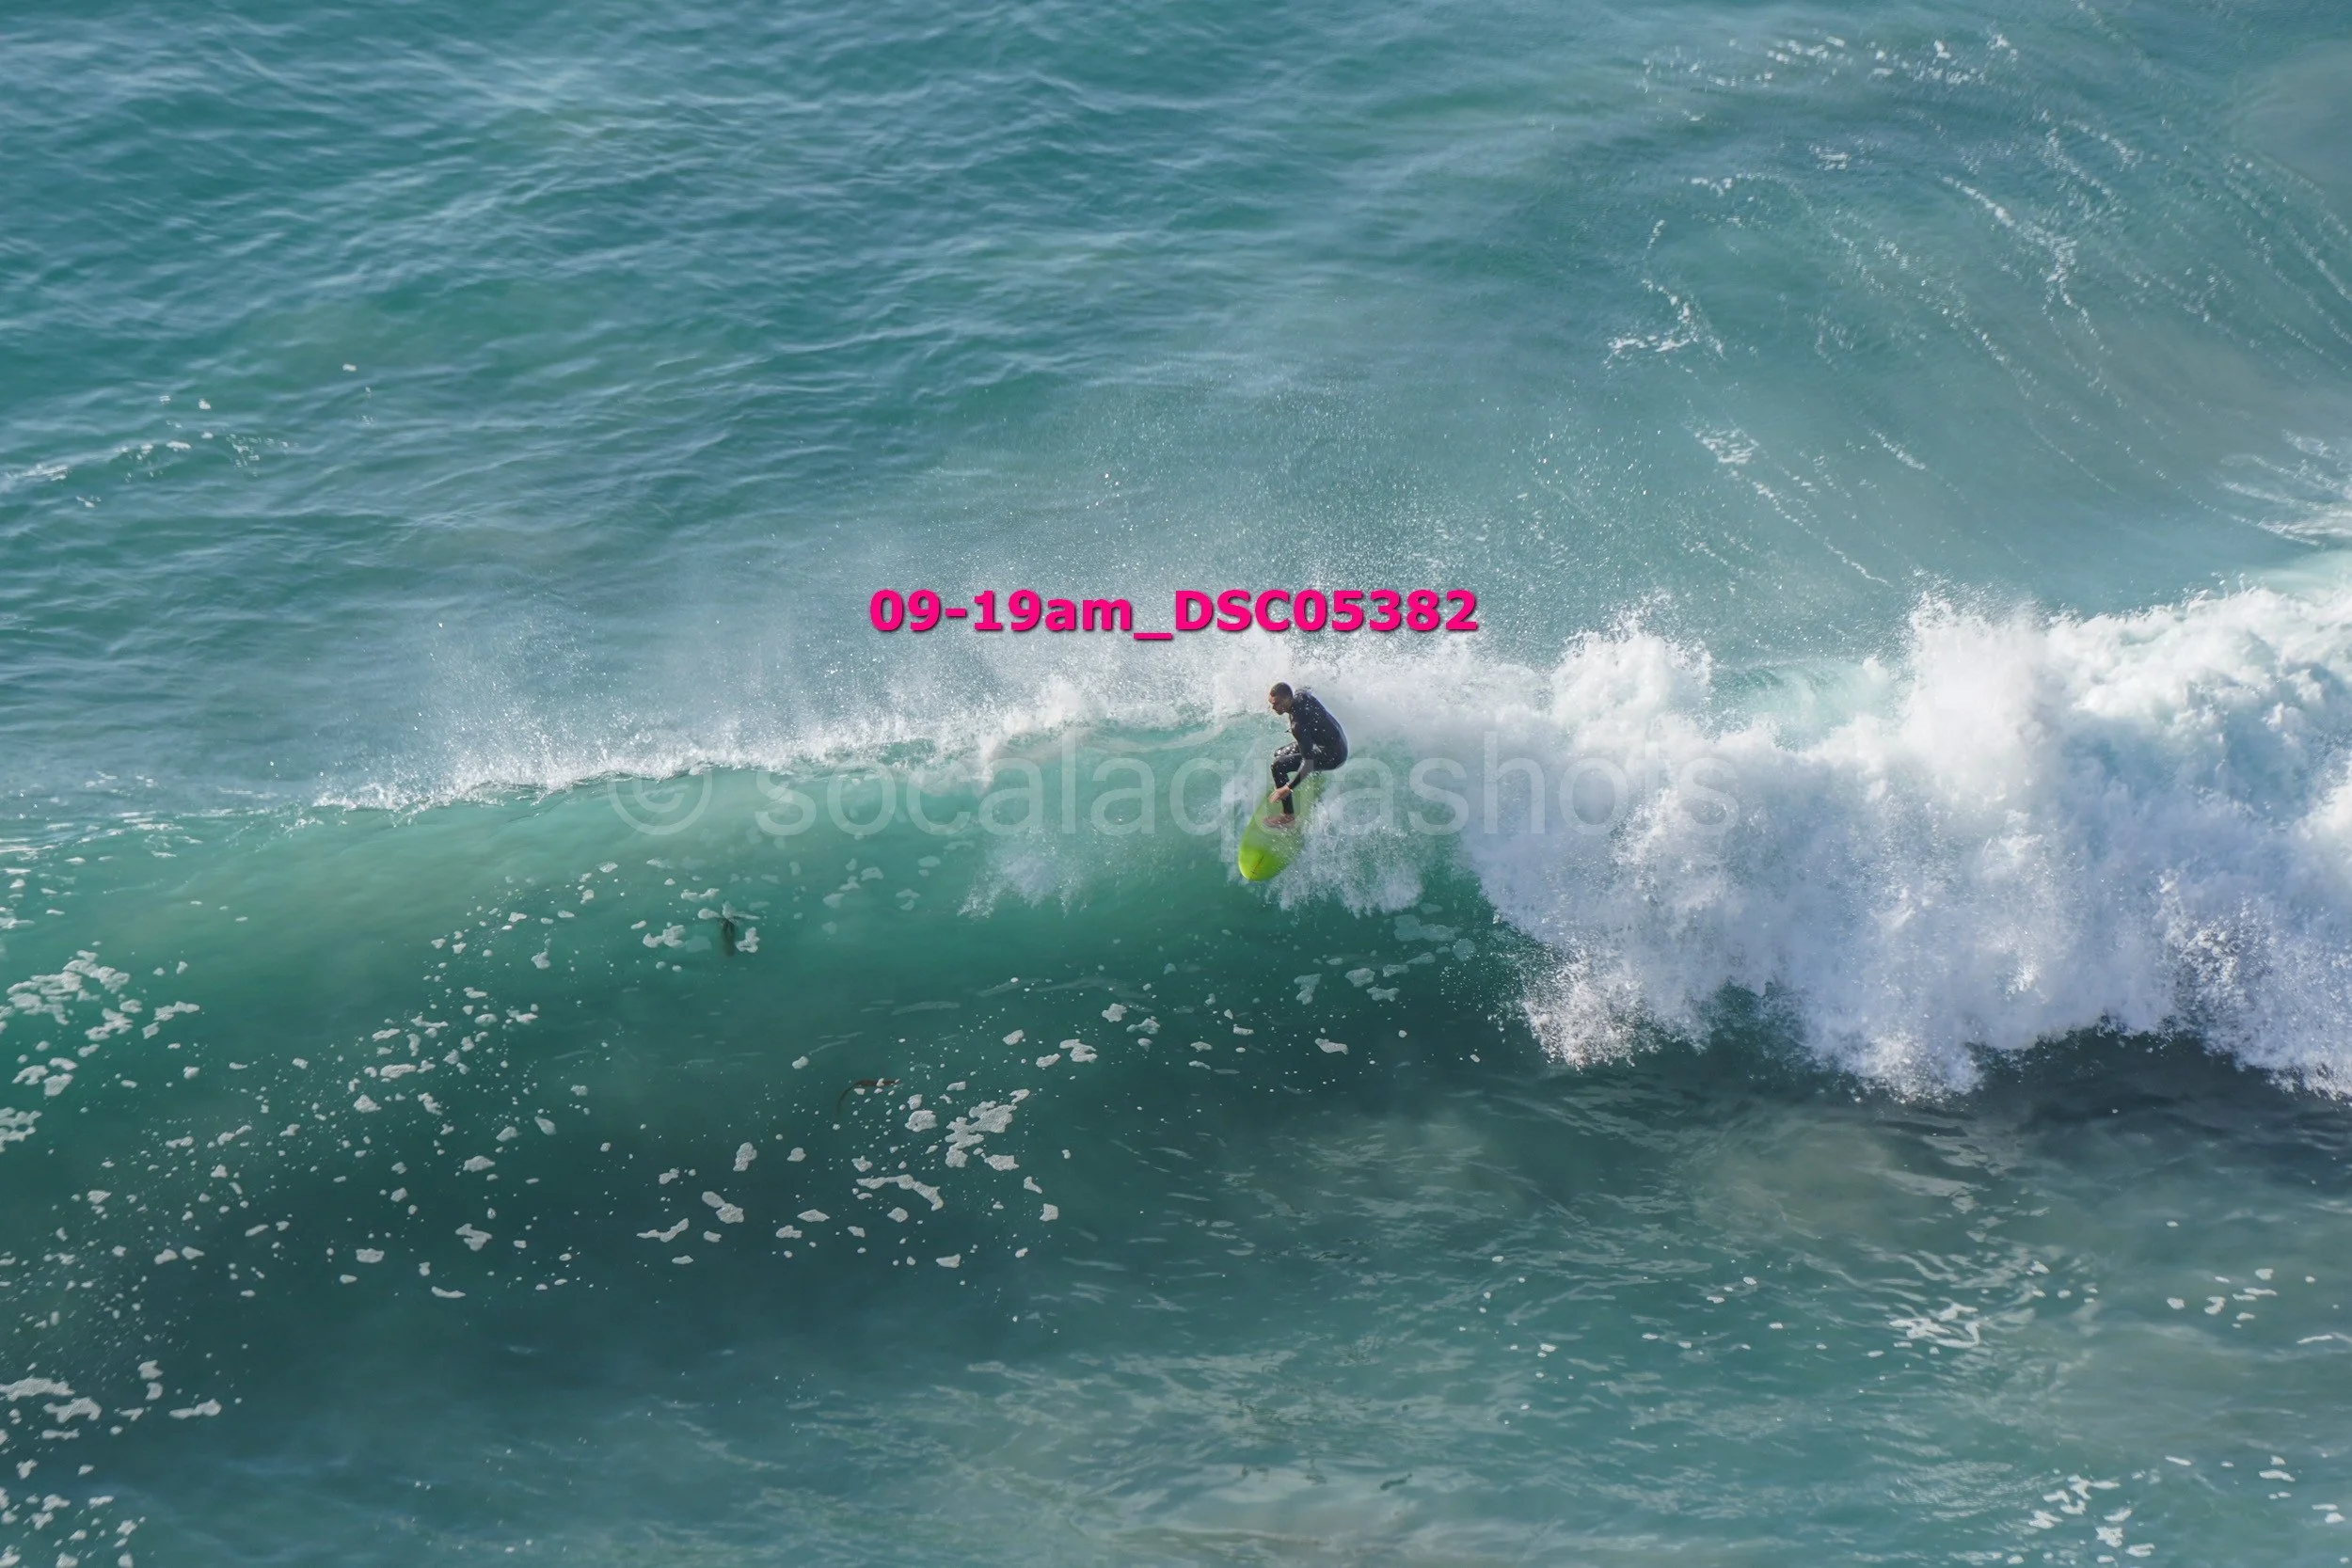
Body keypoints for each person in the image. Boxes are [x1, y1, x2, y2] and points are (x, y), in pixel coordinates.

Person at [1266, 682, 1345, 825]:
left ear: (1286, 699)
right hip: (1339, 740)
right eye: (1271, 703)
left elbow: (1308, 762)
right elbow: (1308, 686)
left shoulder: (1298, 725)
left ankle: (1288, 816)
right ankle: (1316, 773)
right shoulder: (1301, 694)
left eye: (1276, 704)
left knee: (1278, 765)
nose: (1273, 708)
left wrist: (1287, 788)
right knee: (1279, 754)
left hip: (1334, 756)